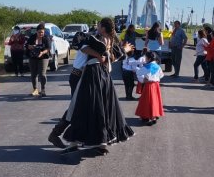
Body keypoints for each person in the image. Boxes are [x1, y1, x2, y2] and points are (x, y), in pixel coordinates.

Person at [62, 17, 135, 155]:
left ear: (103, 27)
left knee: (90, 107)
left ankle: (96, 141)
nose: (97, 26)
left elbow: (85, 48)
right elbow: (87, 49)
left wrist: (104, 55)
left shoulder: (102, 39)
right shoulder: (104, 39)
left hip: (95, 74)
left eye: (99, 24)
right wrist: (102, 56)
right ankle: (97, 142)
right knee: (97, 106)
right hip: (100, 74)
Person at [134, 50, 164, 125]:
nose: (145, 59)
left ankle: (147, 116)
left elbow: (139, 73)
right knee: (155, 101)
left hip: (149, 85)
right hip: (156, 85)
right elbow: (161, 75)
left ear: (149, 59)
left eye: (146, 58)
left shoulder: (147, 66)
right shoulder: (157, 66)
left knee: (147, 101)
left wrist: (143, 80)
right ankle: (154, 115)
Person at [26, 23, 51, 97]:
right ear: (36, 32)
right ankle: (35, 89)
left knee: (42, 74)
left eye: (42, 32)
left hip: (43, 57)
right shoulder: (32, 37)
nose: (41, 34)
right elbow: (27, 45)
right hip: (33, 57)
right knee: (33, 74)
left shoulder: (46, 38)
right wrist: (30, 46)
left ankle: (43, 89)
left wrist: (42, 52)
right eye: (39, 32)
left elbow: (48, 48)